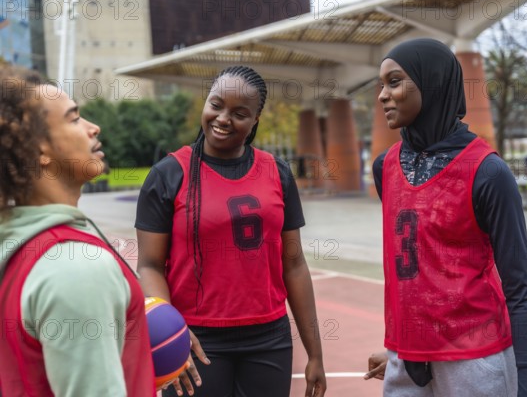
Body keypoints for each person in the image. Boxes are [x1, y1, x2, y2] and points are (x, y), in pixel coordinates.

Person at [364, 39, 527, 397]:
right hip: (406, 358)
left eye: (394, 82)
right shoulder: (385, 167)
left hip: (475, 361)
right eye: (380, 84)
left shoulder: (489, 172)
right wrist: (402, 348)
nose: (383, 95)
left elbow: (520, 289)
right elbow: (417, 272)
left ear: (431, 84)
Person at [135, 65, 327, 397]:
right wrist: (172, 332)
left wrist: (316, 354)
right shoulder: (168, 174)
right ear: (205, 103)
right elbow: (150, 265)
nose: (223, 118)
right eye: (216, 104)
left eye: (239, 113)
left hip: (269, 338)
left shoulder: (277, 173)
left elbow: (294, 264)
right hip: (196, 339)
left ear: (255, 120)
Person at [0, 66, 154, 396]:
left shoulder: (18, 247)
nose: (93, 127)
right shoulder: (75, 268)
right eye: (74, 118)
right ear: (38, 149)